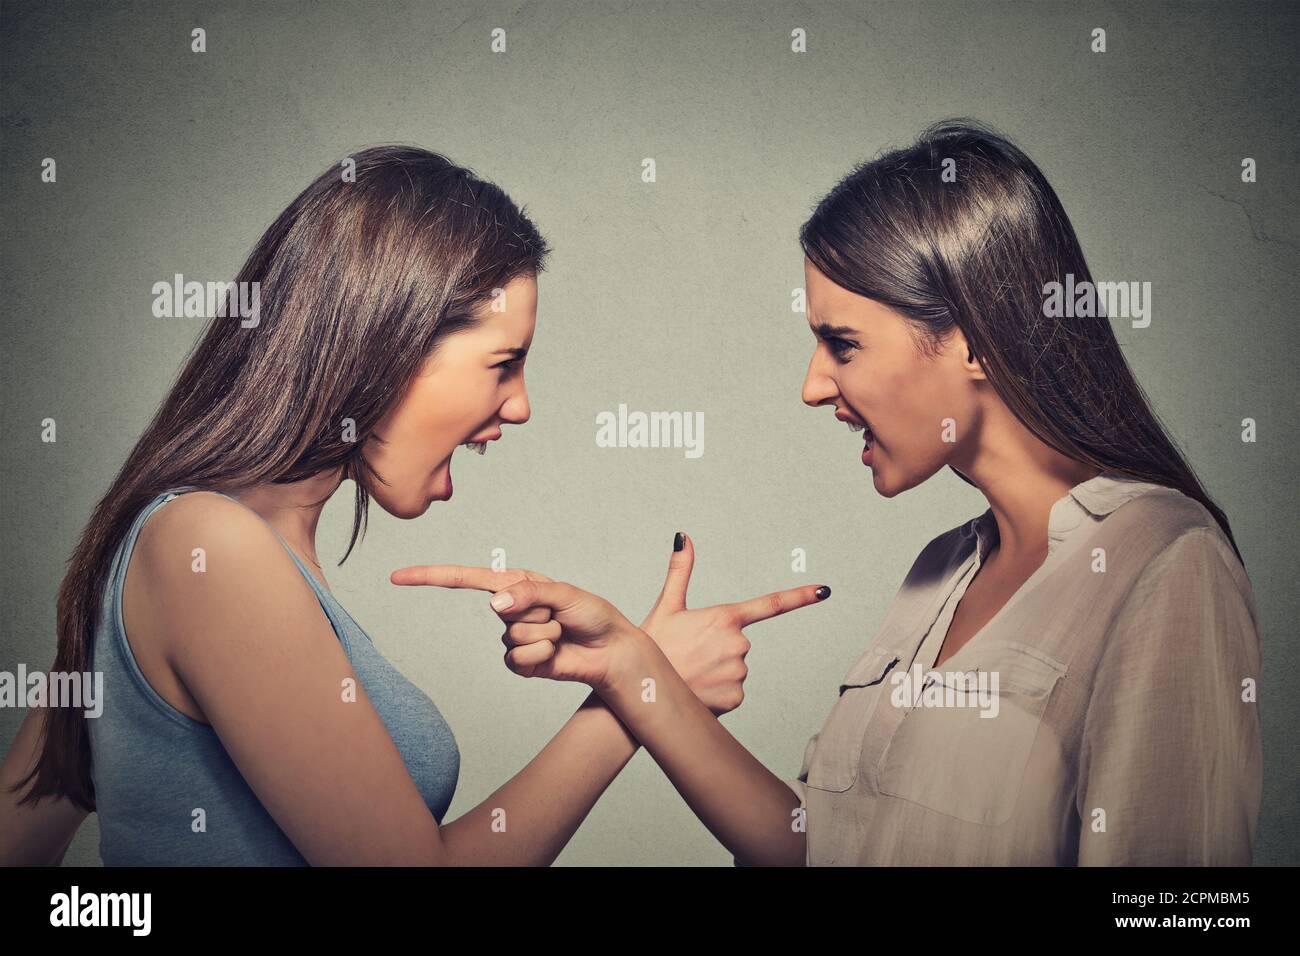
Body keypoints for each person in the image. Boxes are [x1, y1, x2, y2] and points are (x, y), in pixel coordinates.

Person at [401, 120, 1263, 866]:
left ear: (974, 342)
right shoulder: (943, 570)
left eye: (842, 344)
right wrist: (637, 668)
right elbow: (818, 845)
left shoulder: (1164, 562)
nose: (814, 386)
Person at [0, 146, 828, 866]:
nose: (521, 407)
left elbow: (20, 826)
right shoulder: (208, 549)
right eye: (504, 362)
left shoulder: (191, 546)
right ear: (385, 341)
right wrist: (638, 688)